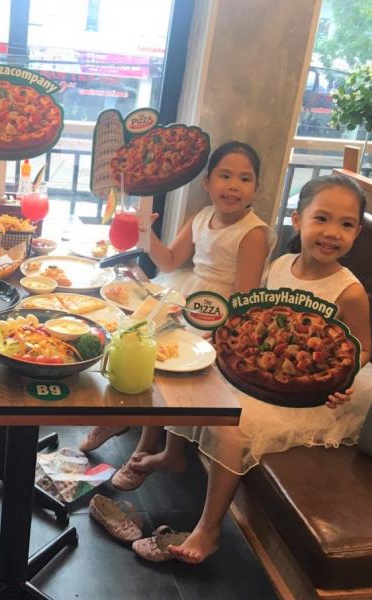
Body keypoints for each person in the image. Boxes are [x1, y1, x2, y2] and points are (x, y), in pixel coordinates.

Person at [160, 174, 372, 564]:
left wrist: (344, 378)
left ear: (358, 232)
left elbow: (362, 348)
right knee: (190, 373)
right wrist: (224, 334)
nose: (332, 233)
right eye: (321, 218)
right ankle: (170, 453)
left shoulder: (350, 291)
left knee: (234, 428)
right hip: (263, 370)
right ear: (297, 220)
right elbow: (256, 316)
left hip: (310, 395)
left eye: (346, 224)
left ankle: (208, 530)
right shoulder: (280, 264)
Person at [80, 142, 276, 490]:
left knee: (165, 357)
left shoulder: (254, 233)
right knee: (133, 331)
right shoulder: (201, 216)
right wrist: (146, 232)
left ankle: (147, 449)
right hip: (188, 295)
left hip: (221, 314)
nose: (233, 186)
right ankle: (119, 414)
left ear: (256, 188)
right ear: (207, 182)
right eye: (225, 176)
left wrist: (217, 332)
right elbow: (169, 262)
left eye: (244, 179)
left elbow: (244, 301)